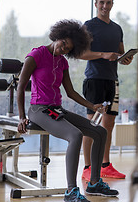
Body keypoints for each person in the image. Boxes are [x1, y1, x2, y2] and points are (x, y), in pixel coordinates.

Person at [17, 19, 119, 202]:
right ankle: (71, 191)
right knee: (75, 135)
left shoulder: (63, 63)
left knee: (100, 131)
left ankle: (94, 183)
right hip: (38, 109)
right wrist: (22, 117)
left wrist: (92, 106)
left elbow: (70, 92)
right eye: (63, 43)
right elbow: (21, 86)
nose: (62, 49)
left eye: (67, 49)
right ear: (58, 36)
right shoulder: (36, 55)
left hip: (56, 109)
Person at [80, 0, 133, 181]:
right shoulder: (88, 26)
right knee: (91, 125)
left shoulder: (117, 28)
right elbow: (80, 54)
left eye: (108, 2)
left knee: (108, 124)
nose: (104, 6)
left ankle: (105, 165)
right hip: (94, 80)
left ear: (112, 4)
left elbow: (120, 53)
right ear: (95, 4)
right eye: (101, 2)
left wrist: (125, 59)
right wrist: (102, 54)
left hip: (112, 81)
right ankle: (87, 167)